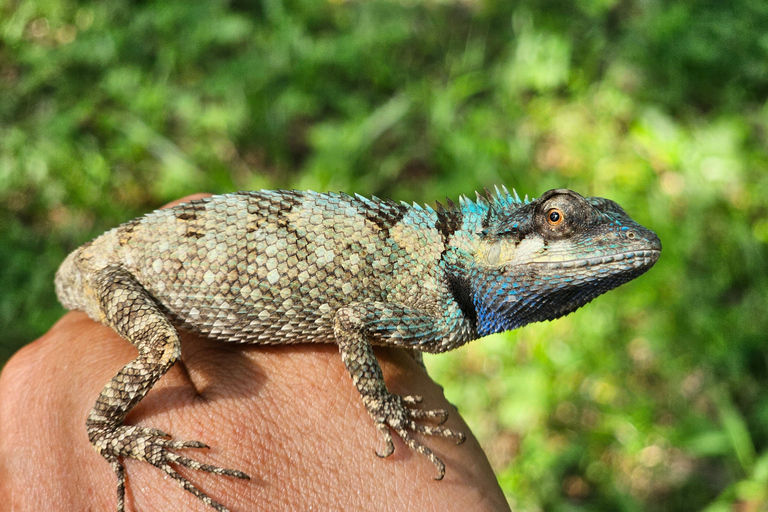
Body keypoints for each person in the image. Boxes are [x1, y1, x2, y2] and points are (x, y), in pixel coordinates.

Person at [0, 195, 508, 512]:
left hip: (153, 250)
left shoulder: (432, 283)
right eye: (556, 220)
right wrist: (383, 405)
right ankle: (104, 429)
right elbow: (350, 321)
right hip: (115, 272)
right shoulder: (435, 279)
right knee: (161, 346)